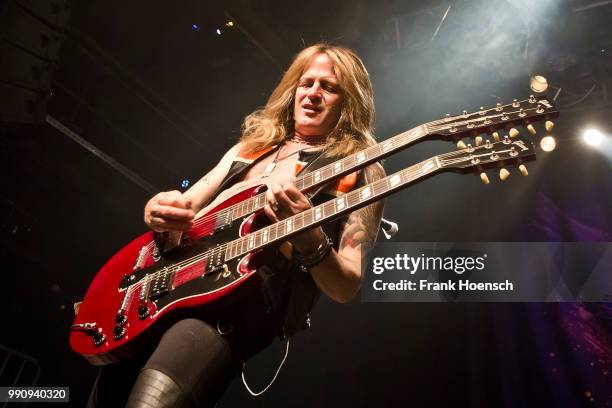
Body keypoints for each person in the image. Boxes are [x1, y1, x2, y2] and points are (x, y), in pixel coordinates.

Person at [87, 43, 385, 407]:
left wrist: (310, 239)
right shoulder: (251, 148)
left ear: (348, 101)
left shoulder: (362, 169)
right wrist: (157, 211)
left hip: (234, 310)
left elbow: (345, 286)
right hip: (162, 294)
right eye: (307, 82)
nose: (313, 93)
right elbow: (185, 210)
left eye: (330, 87)